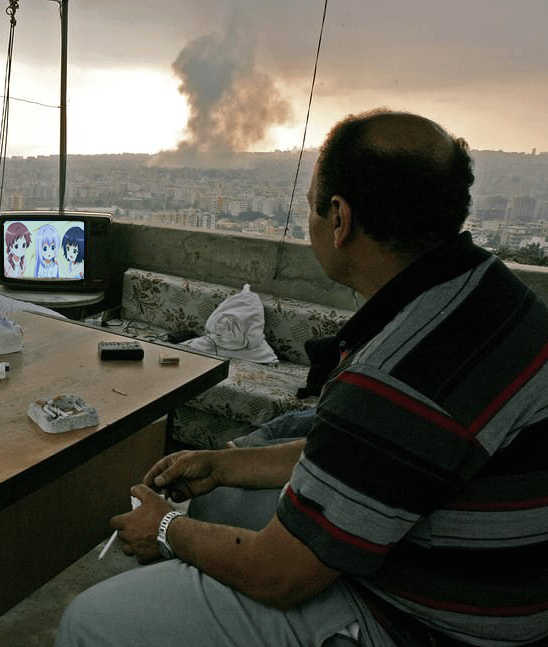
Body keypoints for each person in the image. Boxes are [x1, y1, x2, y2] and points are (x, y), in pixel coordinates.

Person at [57, 110, 548, 646]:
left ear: (339, 218)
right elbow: (363, 456)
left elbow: (279, 575)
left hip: (423, 622)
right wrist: (222, 464)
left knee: (90, 620)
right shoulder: (494, 295)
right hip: (486, 582)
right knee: (221, 500)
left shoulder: (395, 375)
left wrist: (164, 528)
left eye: (311, 204)